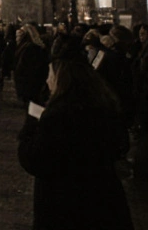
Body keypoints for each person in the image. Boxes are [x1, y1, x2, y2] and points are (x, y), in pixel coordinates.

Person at [17, 35, 133, 230]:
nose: (47, 81)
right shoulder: (103, 103)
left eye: (50, 75)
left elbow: (34, 159)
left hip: (66, 205)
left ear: (60, 78)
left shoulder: (58, 115)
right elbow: (119, 144)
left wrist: (31, 123)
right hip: (104, 200)